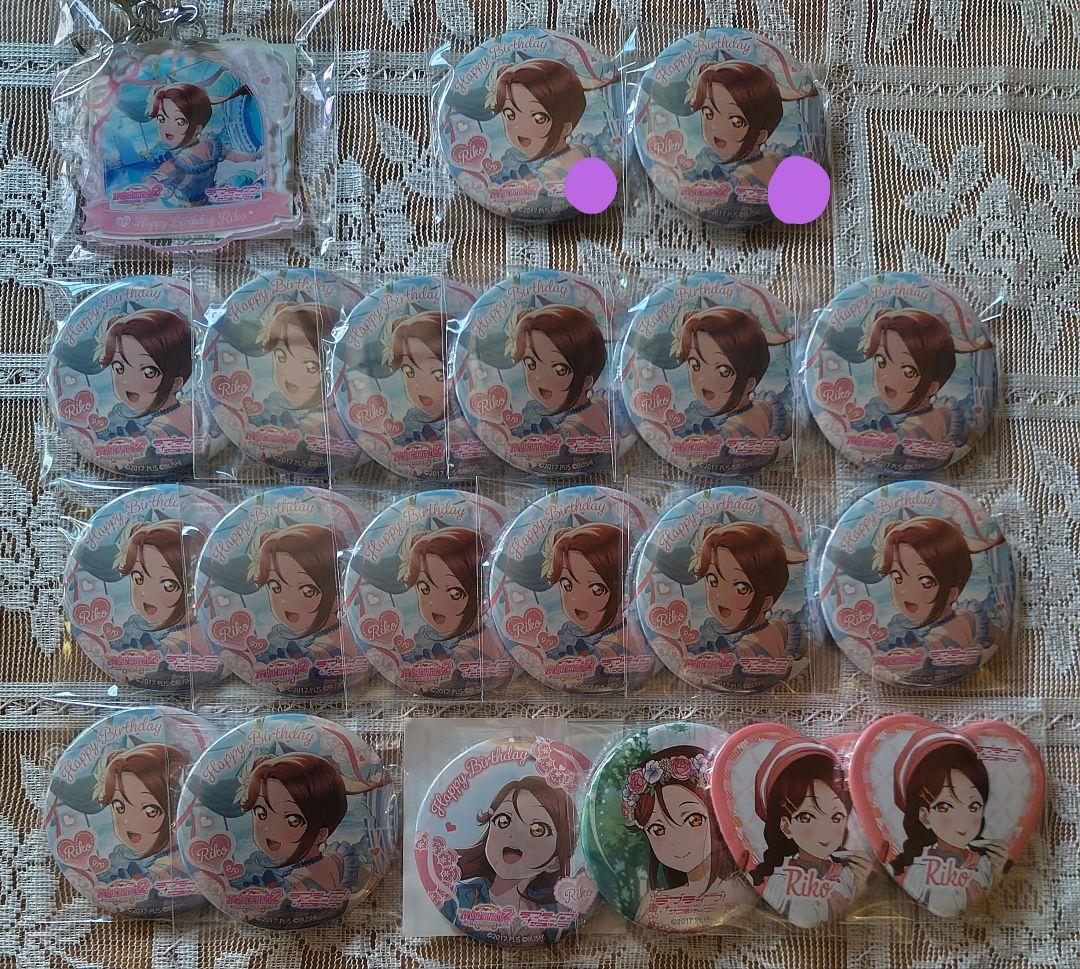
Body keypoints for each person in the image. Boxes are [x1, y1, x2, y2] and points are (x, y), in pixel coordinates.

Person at [622, 744, 753, 930]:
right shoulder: (653, 905)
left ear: (717, 815)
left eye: (693, 820)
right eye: (657, 830)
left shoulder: (742, 890)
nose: (676, 841)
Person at [750, 737, 872, 927]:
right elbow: (803, 915)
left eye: (836, 817)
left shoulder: (849, 874)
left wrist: (862, 882)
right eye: (806, 817)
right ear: (786, 826)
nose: (825, 830)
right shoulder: (777, 880)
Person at [889, 728, 1008, 917]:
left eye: (973, 806)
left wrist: (998, 872)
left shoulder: (985, 863)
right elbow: (939, 904)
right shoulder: (918, 870)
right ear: (925, 816)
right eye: (945, 806)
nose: (963, 819)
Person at [444, 776, 579, 942]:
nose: (514, 835)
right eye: (503, 821)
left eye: (538, 829)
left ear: (554, 862)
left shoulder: (559, 911)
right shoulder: (457, 898)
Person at [875, 515, 1005, 679]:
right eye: (897, 578)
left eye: (926, 582)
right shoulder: (971, 617)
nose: (904, 591)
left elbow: (913, 673)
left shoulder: (940, 639)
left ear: (952, 592)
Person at [239, 751, 384, 896]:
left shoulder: (291, 887)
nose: (268, 829)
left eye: (293, 820)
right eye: (261, 813)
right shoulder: (339, 858)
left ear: (320, 834)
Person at [858, 307, 994, 460]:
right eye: (881, 361)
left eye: (908, 371)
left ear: (932, 387)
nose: (887, 376)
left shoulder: (949, 417)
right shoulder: (950, 415)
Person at [692, 521, 806, 664]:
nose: (720, 595)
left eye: (741, 588)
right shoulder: (781, 626)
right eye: (713, 580)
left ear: (766, 602)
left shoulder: (744, 651)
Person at [141, 82, 263, 206]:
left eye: (180, 121)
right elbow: (236, 158)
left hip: (202, 202)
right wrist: (256, 156)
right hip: (200, 203)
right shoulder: (210, 145)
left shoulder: (200, 151)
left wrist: (256, 156)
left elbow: (236, 157)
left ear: (198, 128)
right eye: (161, 119)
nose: (166, 127)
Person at [492, 59, 615, 181]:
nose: (518, 127)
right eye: (510, 114)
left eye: (539, 118)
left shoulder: (584, 150)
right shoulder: (512, 163)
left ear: (565, 128)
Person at [99, 743, 191, 883]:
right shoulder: (120, 856)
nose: (128, 821)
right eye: (119, 807)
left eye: (150, 810)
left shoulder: (180, 862)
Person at [98, 309, 194, 444]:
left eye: (148, 372)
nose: (127, 381)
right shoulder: (191, 408)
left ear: (175, 383)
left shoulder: (154, 434)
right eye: (119, 368)